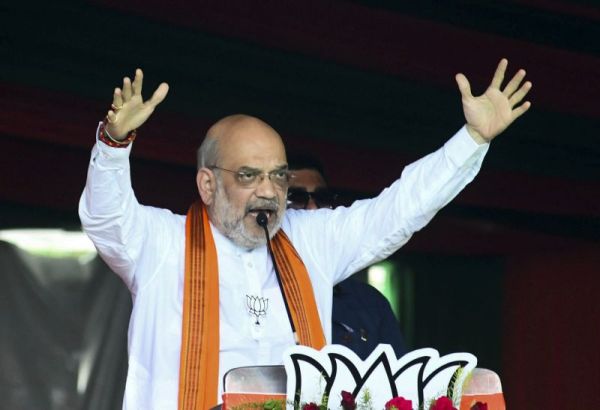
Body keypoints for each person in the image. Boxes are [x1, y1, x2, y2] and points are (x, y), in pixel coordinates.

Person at [79, 59, 531, 409]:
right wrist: (113, 145)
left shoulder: (310, 240)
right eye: (249, 176)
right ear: (207, 184)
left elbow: (399, 210)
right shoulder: (160, 243)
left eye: (278, 177)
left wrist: (471, 139)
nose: (268, 191)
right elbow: (105, 217)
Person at [286, 155, 406, 359]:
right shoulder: (257, 290)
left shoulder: (370, 303)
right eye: (296, 198)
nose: (313, 208)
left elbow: (397, 375)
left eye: (322, 198)